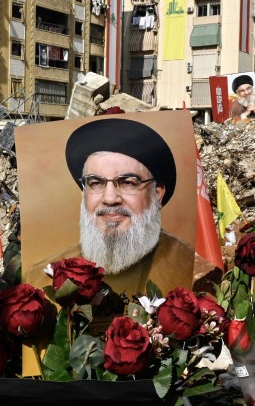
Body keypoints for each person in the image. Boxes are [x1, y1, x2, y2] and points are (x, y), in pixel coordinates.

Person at [25, 117, 194, 298]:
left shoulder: (191, 268)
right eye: (96, 182)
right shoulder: (38, 280)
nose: (110, 198)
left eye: (128, 182)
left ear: (158, 193)